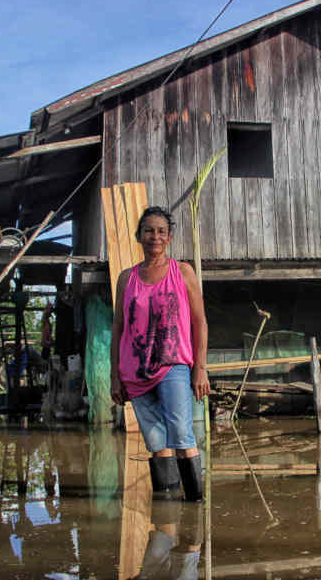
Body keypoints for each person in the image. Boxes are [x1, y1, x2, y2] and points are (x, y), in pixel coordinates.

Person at [110, 206, 210, 501]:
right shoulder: (126, 279)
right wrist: (115, 375)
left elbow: (199, 321)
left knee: (181, 432)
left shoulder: (183, 272)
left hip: (173, 364)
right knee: (155, 440)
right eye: (149, 231)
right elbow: (118, 328)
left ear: (169, 237)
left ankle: (194, 511)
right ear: (138, 236)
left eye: (161, 231)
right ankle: (167, 514)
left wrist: (200, 367)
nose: (155, 236)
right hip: (135, 371)